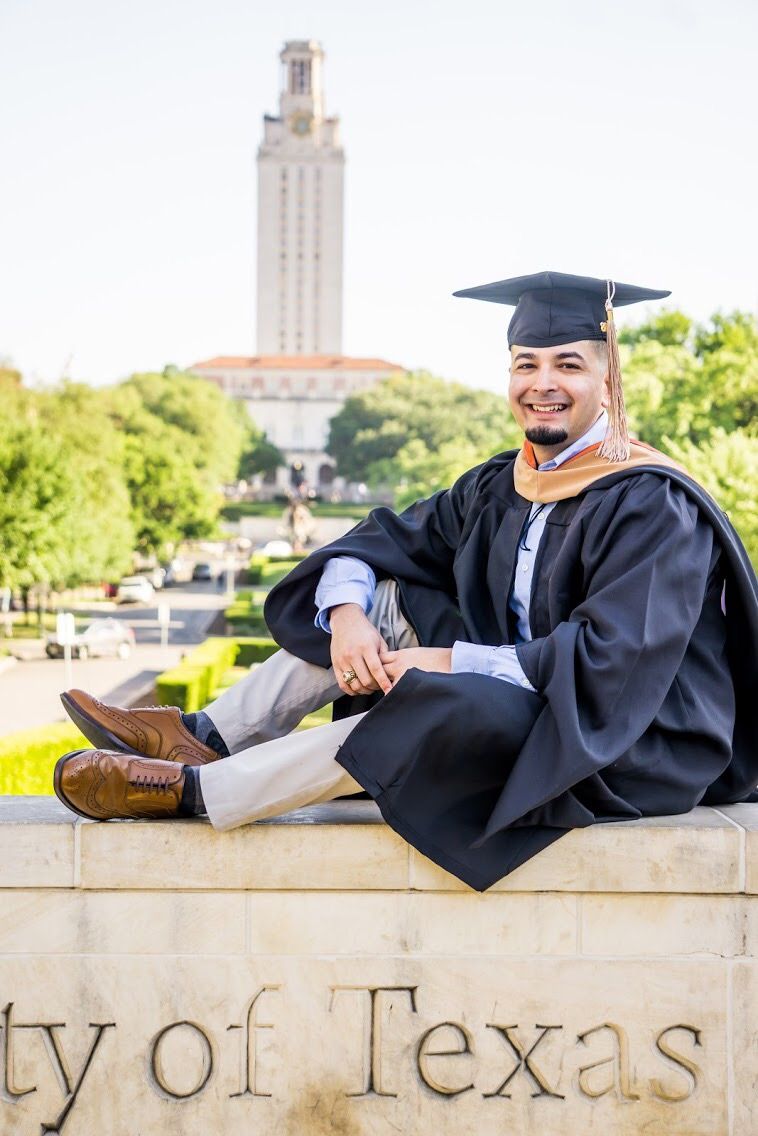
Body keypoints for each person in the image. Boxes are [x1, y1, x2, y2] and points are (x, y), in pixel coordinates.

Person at [53, 271, 758, 891]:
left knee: (433, 700)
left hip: (626, 742)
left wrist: (450, 663)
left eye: (567, 365)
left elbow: (612, 663)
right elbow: (380, 541)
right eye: (525, 363)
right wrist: (350, 617)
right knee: (375, 596)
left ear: (607, 381)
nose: (542, 384)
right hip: (531, 700)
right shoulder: (498, 485)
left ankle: (199, 791)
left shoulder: (649, 503)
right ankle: (206, 733)